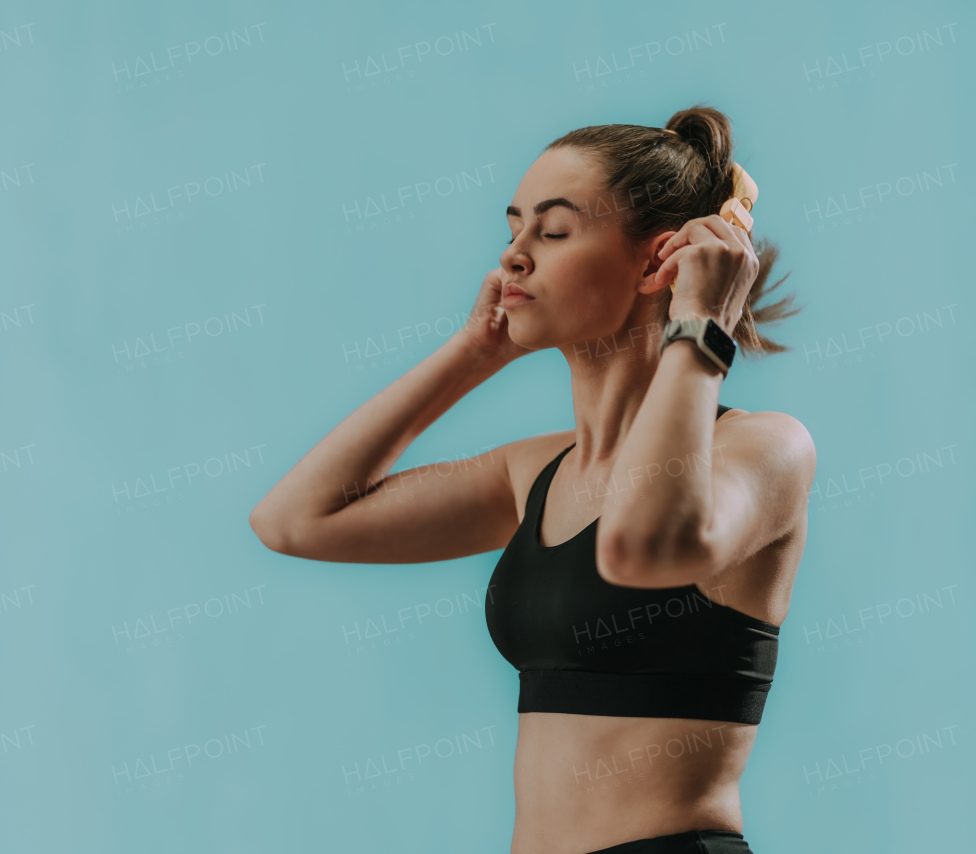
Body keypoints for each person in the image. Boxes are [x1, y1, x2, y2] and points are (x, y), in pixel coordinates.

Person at [249, 105, 816, 854]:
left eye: (552, 232)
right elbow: (295, 520)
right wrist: (470, 356)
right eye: (512, 229)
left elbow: (641, 549)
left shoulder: (763, 448)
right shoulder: (533, 473)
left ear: (659, 265)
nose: (513, 257)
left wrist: (700, 327)